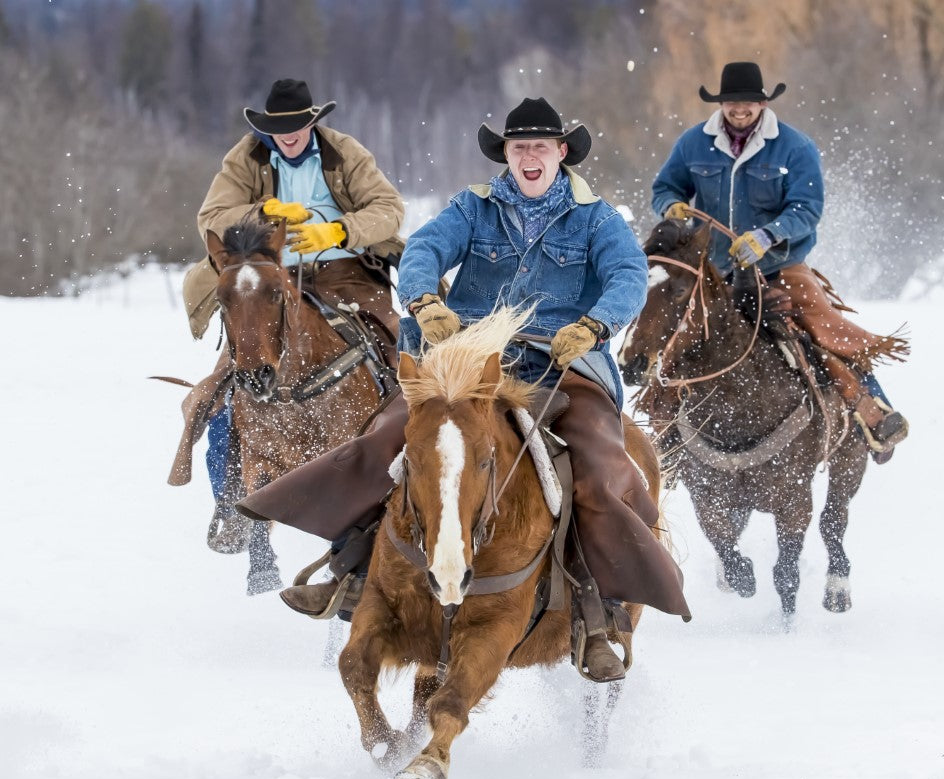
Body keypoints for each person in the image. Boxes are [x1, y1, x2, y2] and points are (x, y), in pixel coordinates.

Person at [237, 97, 691, 681]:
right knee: (384, 441)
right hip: (465, 360)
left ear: (560, 154)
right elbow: (424, 249)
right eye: (519, 147)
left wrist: (595, 324)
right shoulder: (472, 207)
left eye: (540, 147)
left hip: (561, 363)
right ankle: (351, 569)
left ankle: (598, 611)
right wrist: (424, 302)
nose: (530, 156)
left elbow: (629, 275)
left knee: (602, 469)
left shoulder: (597, 217)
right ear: (505, 154)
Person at [169, 79, 406, 558]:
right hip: (270, 278)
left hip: (347, 273)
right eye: (278, 129)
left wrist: (338, 230)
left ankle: (418, 450)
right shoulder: (247, 157)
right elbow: (211, 216)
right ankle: (230, 501)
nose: (289, 136)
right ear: (265, 129)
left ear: (313, 122)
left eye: (297, 126)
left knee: (404, 348)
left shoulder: (345, 153)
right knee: (224, 384)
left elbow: (389, 210)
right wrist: (263, 211)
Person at [651, 62, 909, 462]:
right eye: (732, 102)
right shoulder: (692, 144)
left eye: (748, 102)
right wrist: (671, 205)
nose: (739, 110)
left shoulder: (795, 147)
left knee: (821, 331)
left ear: (763, 102)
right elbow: (665, 187)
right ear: (721, 104)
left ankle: (874, 411)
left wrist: (767, 236)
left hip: (779, 266)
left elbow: (807, 209)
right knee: (670, 331)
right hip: (716, 269)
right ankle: (661, 425)